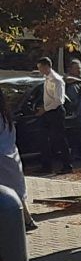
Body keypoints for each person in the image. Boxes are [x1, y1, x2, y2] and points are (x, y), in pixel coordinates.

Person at [0, 88, 36, 232]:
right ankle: (27, 220)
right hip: (11, 156)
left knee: (8, 193)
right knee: (17, 192)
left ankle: (22, 221)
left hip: (2, 158)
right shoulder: (6, 116)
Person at [35, 57, 72, 174]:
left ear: (46, 67)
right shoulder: (46, 78)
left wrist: (45, 109)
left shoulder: (57, 80)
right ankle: (46, 166)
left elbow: (58, 101)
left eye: (40, 68)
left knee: (59, 139)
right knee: (44, 139)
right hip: (47, 111)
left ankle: (67, 165)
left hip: (55, 112)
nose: (39, 70)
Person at [66, 58, 81, 160]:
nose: (79, 70)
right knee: (77, 134)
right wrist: (80, 80)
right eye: (76, 68)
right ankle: (77, 153)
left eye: (80, 68)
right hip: (75, 114)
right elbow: (67, 79)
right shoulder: (68, 81)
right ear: (70, 69)